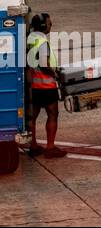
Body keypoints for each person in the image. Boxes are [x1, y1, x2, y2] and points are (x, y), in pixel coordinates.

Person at [26, 13, 65, 159]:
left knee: (33, 117)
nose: (51, 24)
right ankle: (50, 147)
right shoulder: (42, 42)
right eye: (49, 23)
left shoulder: (29, 39)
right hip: (46, 86)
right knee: (53, 114)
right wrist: (55, 74)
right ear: (43, 26)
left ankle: (34, 145)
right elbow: (44, 63)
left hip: (33, 86)